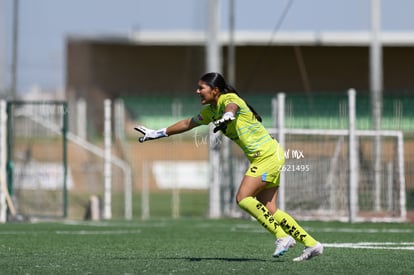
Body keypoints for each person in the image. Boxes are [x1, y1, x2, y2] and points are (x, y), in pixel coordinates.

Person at [135, 72, 323, 261]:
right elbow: (187, 123)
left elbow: (231, 107)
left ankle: (282, 236)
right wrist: (157, 133)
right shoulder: (210, 111)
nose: (197, 91)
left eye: (202, 88)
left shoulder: (229, 98)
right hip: (269, 155)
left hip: (266, 156)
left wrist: (227, 116)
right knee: (270, 209)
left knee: (243, 198)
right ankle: (312, 244)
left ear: (215, 90)